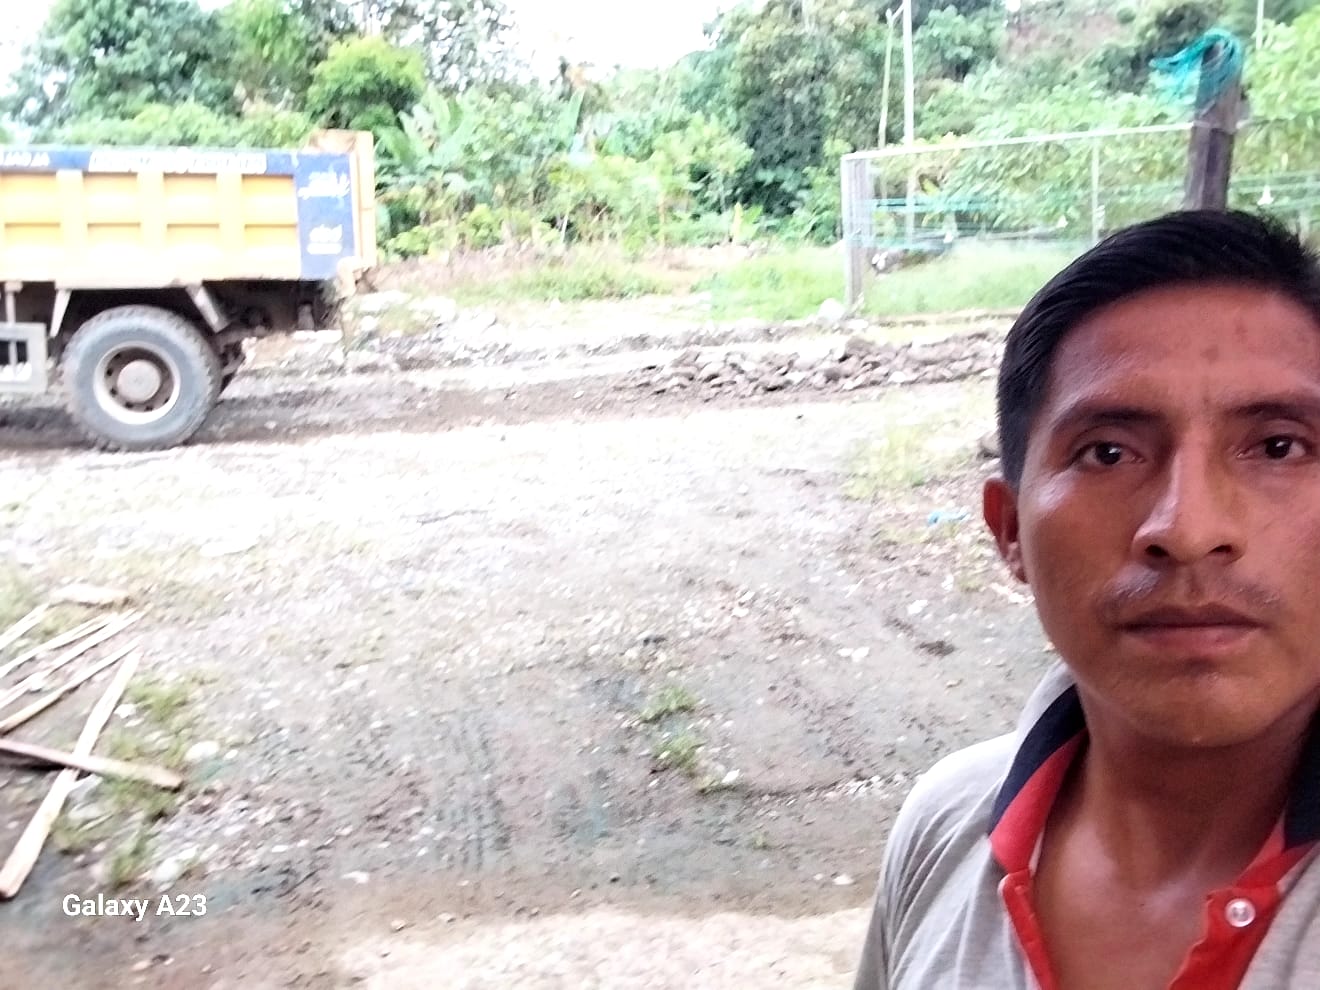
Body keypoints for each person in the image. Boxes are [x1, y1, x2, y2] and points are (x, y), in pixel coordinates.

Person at [854, 210, 1320, 990]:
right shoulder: (947, 825)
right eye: (1107, 453)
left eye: (1279, 446)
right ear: (1009, 531)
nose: (1188, 529)